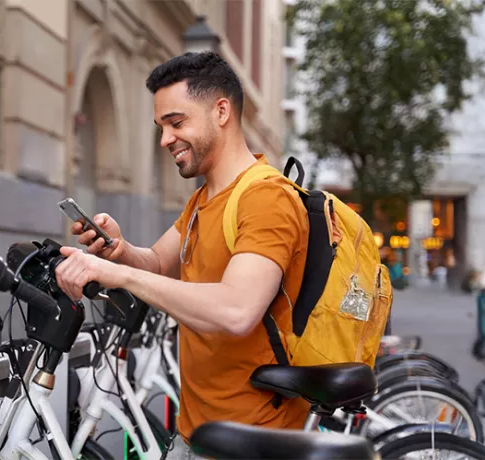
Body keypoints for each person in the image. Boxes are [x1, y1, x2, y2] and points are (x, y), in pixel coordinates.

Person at [54, 52, 310, 459]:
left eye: (176, 122)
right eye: (161, 127)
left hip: (253, 441)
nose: (165, 139)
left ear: (221, 111)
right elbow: (155, 262)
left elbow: (237, 310)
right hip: (199, 431)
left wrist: (118, 275)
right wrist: (117, 250)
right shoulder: (204, 200)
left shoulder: (265, 198)